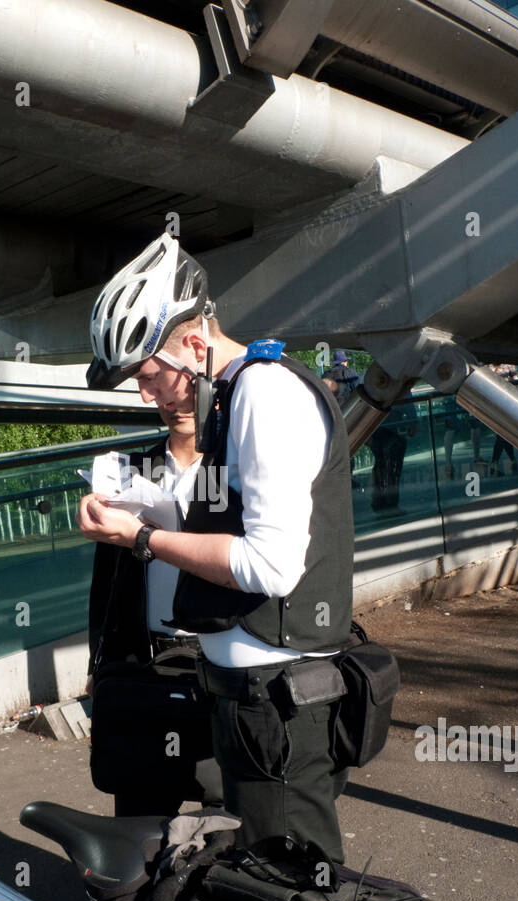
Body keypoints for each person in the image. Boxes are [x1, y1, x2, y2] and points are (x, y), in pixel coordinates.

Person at [78, 233, 353, 861]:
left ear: (195, 345)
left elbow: (270, 566)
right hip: (253, 693)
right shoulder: (236, 396)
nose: (148, 396)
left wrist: (143, 537)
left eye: (150, 377)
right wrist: (141, 510)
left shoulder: (263, 393)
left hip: (277, 698)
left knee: (288, 891)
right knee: (259, 882)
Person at [86, 405, 222, 818]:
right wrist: (99, 660)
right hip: (143, 659)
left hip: (219, 657)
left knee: (227, 811)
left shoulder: (235, 468)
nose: (176, 406)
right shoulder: (132, 472)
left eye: (189, 394)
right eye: (160, 391)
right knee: (139, 809)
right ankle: (143, 884)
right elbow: (106, 578)